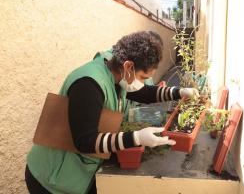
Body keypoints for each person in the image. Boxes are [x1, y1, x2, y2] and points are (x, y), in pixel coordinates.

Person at [25, 31, 199, 194]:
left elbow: (144, 93)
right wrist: (136, 138)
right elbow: (85, 141)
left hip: (80, 173)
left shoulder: (119, 74)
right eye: (143, 78)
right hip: (51, 178)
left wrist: (179, 92)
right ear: (129, 66)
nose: (143, 83)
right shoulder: (88, 84)